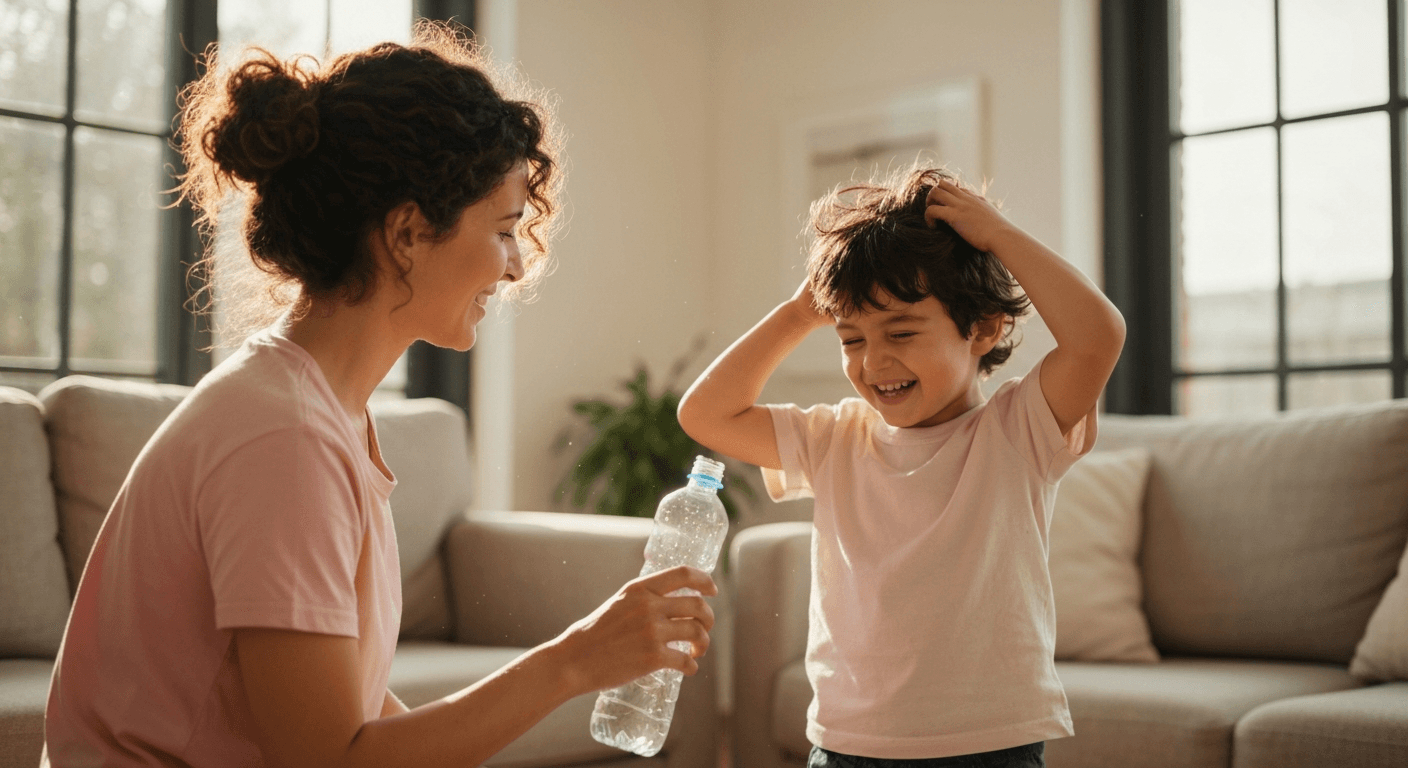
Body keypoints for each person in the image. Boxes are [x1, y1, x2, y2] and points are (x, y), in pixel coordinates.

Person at [42, 22, 716, 768]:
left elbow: (350, 720)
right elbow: (331, 761)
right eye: (502, 230)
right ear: (405, 233)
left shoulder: (318, 410)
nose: (516, 266)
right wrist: (572, 662)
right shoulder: (283, 438)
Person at [677, 166, 1125, 767]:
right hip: (845, 745)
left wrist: (996, 234)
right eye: (851, 339)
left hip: (987, 748)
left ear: (983, 328)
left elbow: (1098, 334)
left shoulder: (1020, 430)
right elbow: (705, 413)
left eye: (902, 330)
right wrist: (797, 313)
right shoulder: (833, 437)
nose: (874, 362)